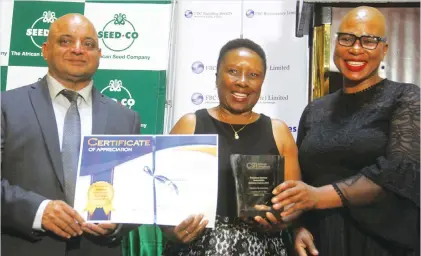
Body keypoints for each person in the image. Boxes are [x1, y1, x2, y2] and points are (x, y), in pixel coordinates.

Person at [270, 6, 420, 256]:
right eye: (347, 38)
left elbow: (399, 171)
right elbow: (301, 181)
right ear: (335, 43)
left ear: (384, 50)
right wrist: (298, 227)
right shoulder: (315, 110)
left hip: (381, 245)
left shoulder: (406, 98)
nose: (356, 49)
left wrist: (318, 197)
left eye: (369, 41)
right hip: (320, 244)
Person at [1, 13, 140, 256]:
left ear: (99, 55)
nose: (78, 50)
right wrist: (38, 211)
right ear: (45, 50)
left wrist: (118, 222)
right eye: (65, 41)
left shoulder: (126, 118)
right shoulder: (6, 106)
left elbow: (137, 193)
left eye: (88, 44)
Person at [161, 38, 301, 255]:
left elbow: (294, 205)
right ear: (217, 76)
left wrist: (282, 222)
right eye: (233, 71)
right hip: (197, 247)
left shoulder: (279, 132)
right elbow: (162, 197)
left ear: (262, 82)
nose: (242, 82)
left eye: (253, 75)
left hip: (262, 247)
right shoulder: (190, 125)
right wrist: (171, 230)